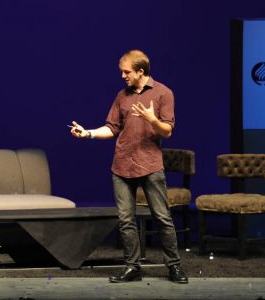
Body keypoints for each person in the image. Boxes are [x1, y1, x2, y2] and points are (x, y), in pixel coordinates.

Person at [70, 49, 188, 284]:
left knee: (163, 217)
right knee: (125, 220)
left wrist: (152, 119)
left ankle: (174, 267)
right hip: (122, 166)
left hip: (150, 165)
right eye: (121, 72)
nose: (123, 76)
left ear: (140, 71)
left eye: (126, 72)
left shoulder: (164, 93)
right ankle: (132, 267)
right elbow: (112, 128)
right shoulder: (121, 96)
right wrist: (89, 133)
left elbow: (168, 130)